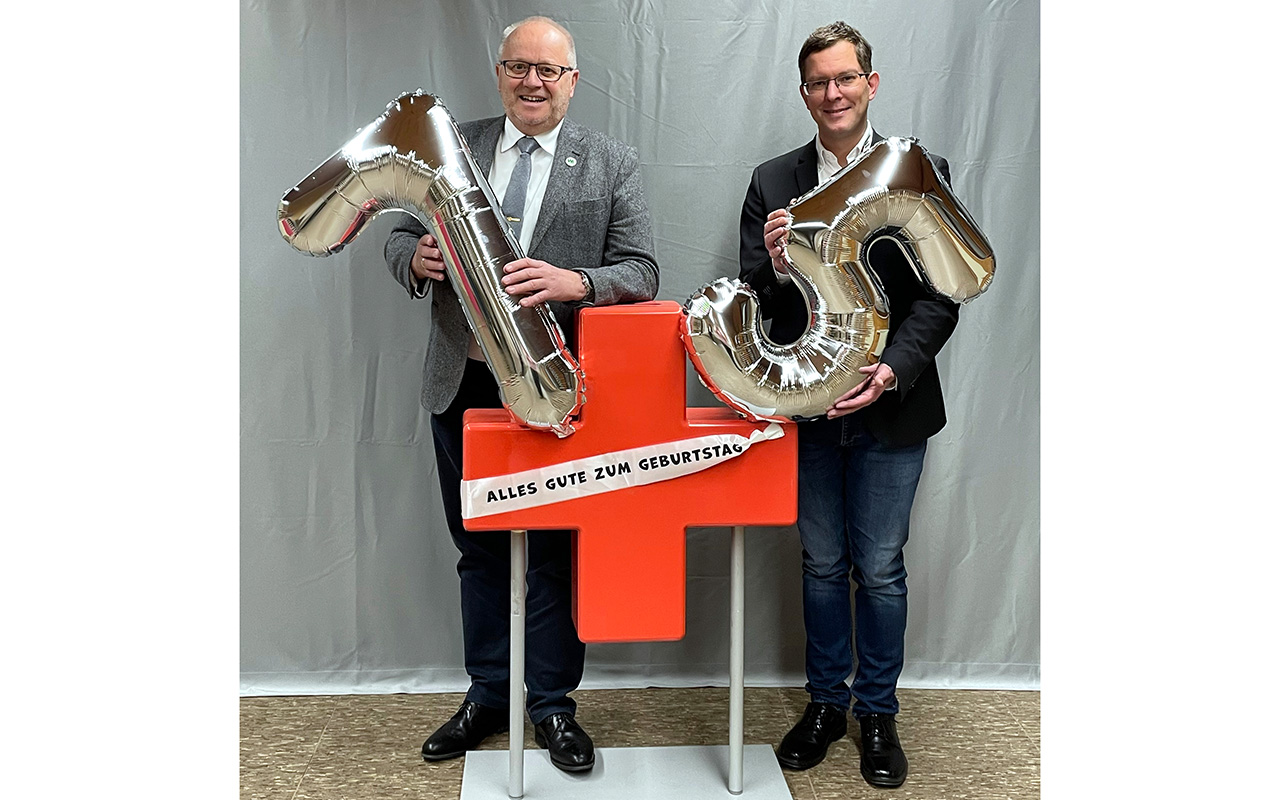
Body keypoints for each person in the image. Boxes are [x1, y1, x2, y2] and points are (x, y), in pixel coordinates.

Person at [384, 16, 659, 774]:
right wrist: (418, 257)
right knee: (477, 549)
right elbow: (394, 236)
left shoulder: (610, 162)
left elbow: (642, 270)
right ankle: (487, 696)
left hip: (553, 386)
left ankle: (552, 707)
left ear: (572, 81)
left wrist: (579, 284)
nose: (532, 82)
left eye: (548, 70)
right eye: (518, 67)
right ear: (499, 72)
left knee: (552, 552)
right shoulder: (452, 148)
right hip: (463, 380)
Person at [738, 21, 961, 789]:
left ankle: (877, 714)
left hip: (891, 409)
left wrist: (892, 370)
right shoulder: (773, 181)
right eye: (817, 83)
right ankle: (826, 706)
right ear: (804, 95)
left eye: (844, 78)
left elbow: (942, 296)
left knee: (881, 568)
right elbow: (755, 302)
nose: (831, 93)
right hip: (804, 407)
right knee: (823, 564)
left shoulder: (912, 169)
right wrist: (773, 265)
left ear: (871, 83)